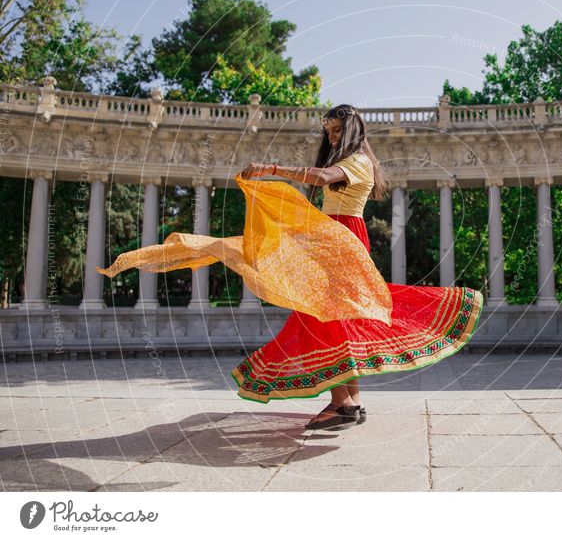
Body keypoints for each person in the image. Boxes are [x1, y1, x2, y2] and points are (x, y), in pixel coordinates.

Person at [98, 104, 484, 432]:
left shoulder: (359, 161)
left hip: (342, 240)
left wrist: (271, 168)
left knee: (324, 316)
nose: (332, 138)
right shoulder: (350, 159)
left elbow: (320, 177)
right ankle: (351, 400)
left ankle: (343, 404)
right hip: (330, 238)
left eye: (337, 131)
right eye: (329, 132)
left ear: (352, 132)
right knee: (338, 317)